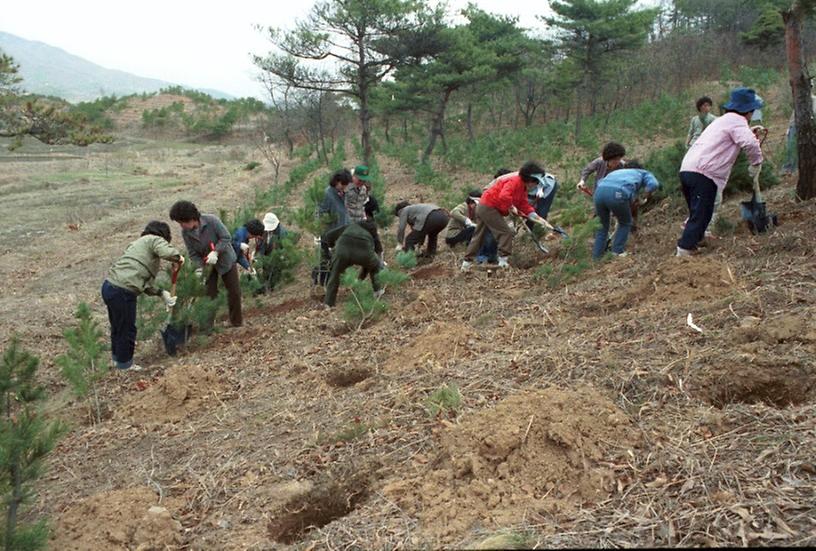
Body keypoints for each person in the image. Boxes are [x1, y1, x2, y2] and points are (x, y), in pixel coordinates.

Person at [677, 87, 763, 256]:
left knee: (697, 212)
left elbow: (734, 138)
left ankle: (696, 240)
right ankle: (683, 252)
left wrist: (749, 133)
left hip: (688, 169)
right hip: (704, 173)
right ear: (749, 111)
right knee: (701, 214)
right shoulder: (738, 121)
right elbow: (750, 144)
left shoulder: (722, 120)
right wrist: (756, 162)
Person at [102, 221, 183, 371]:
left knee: (118, 326)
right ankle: (125, 365)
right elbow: (168, 253)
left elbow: (140, 279)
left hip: (109, 287)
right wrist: (179, 258)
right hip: (123, 291)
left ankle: (117, 360)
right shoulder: (154, 239)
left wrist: (160, 293)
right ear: (164, 236)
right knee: (127, 329)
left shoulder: (137, 244)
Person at [461, 161, 551, 270]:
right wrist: (511, 206)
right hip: (488, 206)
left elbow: (523, 204)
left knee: (479, 235)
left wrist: (535, 217)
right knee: (505, 232)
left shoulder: (522, 188)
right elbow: (504, 195)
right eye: (536, 181)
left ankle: (466, 263)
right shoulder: (515, 181)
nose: (536, 185)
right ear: (529, 179)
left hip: (485, 206)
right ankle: (503, 262)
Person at [169, 200, 243, 327]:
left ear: (191, 218)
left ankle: (236, 322)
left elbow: (226, 237)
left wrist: (216, 252)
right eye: (179, 223)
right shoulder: (185, 233)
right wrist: (199, 268)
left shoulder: (212, 221)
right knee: (209, 295)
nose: (181, 226)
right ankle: (208, 327)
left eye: (182, 222)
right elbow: (192, 253)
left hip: (225, 260)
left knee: (234, 292)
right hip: (207, 266)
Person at [591, 161, 660, 259]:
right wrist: (646, 197)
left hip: (599, 193)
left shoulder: (617, 172)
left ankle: (597, 256)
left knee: (602, 226)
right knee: (626, 222)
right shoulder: (643, 173)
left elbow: (600, 182)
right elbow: (654, 184)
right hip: (618, 193)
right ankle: (617, 251)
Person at [322, 220, 383, 307]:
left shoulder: (350, 226)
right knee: (374, 265)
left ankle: (329, 303)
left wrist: (330, 251)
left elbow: (328, 236)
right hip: (364, 254)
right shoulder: (372, 235)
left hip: (342, 252)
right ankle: (377, 291)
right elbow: (377, 254)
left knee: (335, 274)